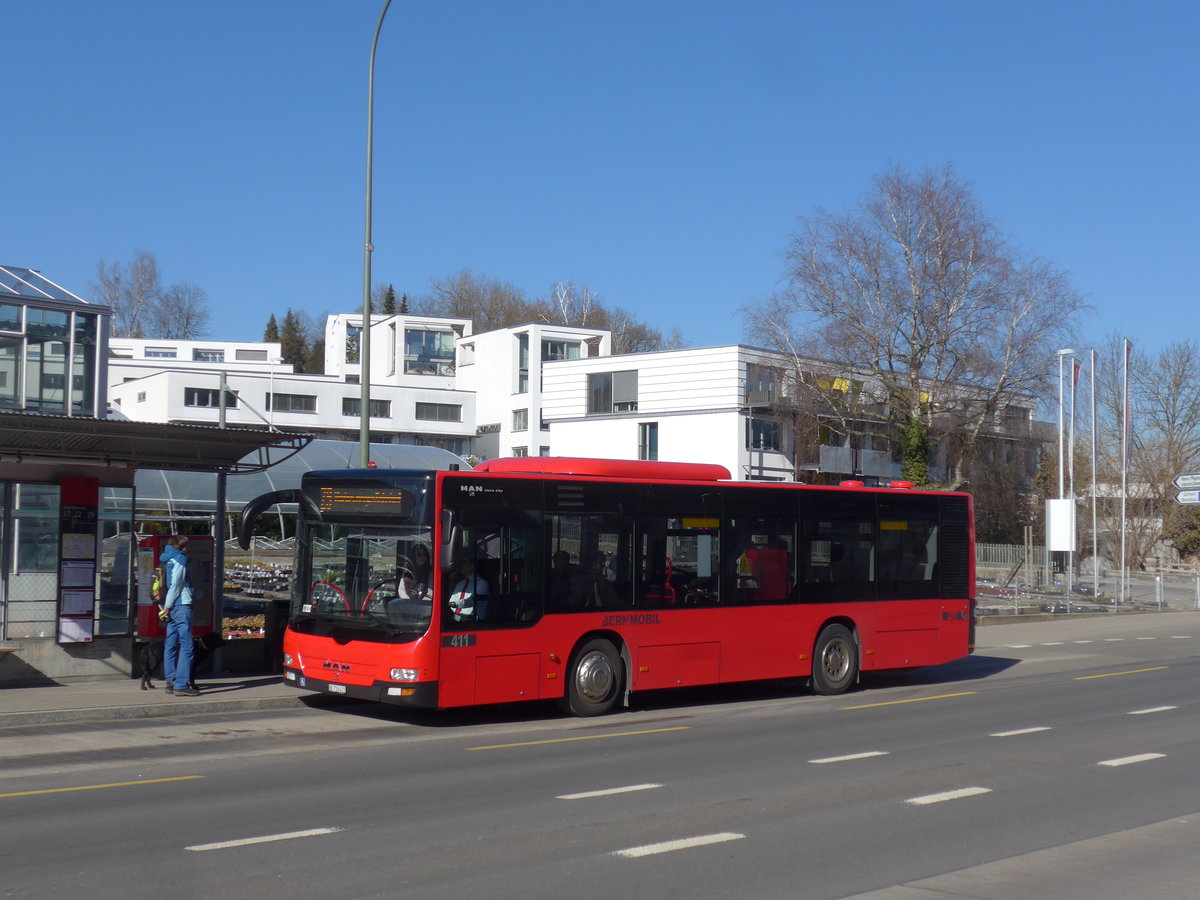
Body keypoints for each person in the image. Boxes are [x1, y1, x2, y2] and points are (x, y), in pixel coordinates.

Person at [160, 535, 198, 696]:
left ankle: (171, 680)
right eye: (186, 546)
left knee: (170, 644)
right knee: (187, 646)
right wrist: (168, 606)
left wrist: (165, 606)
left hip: (170, 607)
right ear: (181, 547)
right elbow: (176, 584)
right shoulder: (180, 559)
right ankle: (181, 685)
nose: (188, 549)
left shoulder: (165, 558)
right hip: (180, 605)